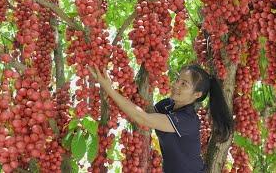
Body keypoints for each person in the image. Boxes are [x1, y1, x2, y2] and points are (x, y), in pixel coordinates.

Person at [88, 64, 234, 173]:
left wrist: (109, 89)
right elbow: (138, 109)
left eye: (184, 84)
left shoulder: (188, 120)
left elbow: (143, 118)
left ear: (197, 94)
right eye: (178, 80)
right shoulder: (166, 105)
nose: (176, 85)